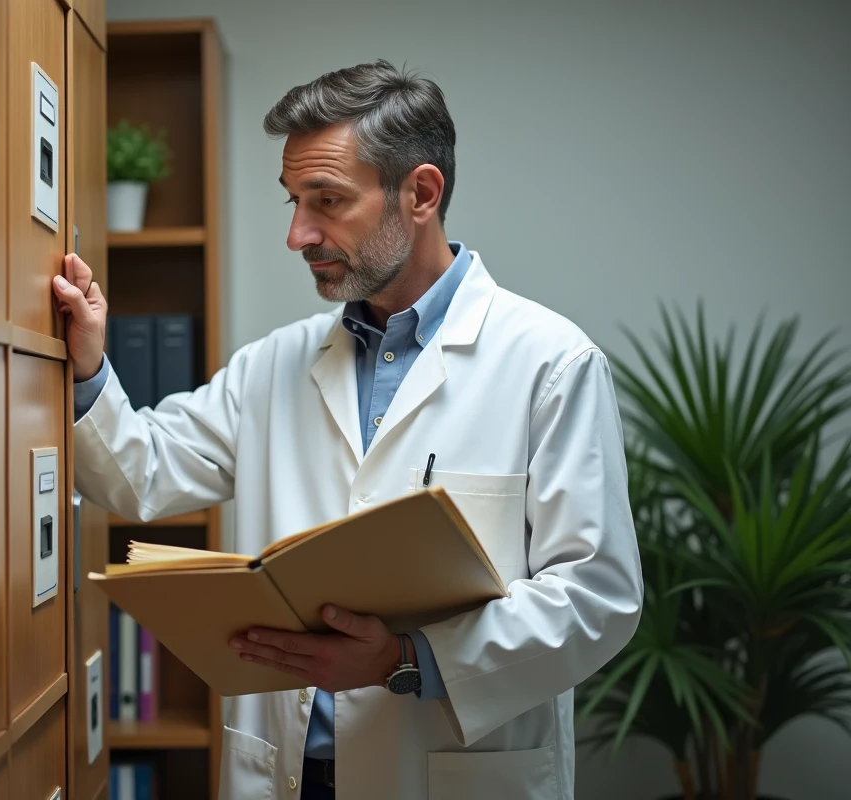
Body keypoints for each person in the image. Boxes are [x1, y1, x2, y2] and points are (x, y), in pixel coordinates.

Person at [53, 59, 642, 800]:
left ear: (421, 193)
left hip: (453, 773)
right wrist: (86, 368)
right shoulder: (276, 364)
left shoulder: (549, 363)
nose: (299, 234)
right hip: (294, 774)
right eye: (294, 200)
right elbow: (138, 472)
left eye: (327, 200)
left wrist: (404, 658)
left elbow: (597, 596)